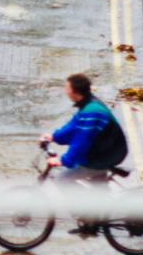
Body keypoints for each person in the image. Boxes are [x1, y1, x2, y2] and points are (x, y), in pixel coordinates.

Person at [39, 73, 128, 236]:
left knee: (63, 179)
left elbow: (81, 142)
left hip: (104, 156)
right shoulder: (86, 105)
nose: (65, 91)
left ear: (75, 91)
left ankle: (88, 213)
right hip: (101, 152)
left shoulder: (91, 111)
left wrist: (63, 160)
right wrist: (54, 136)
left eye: (67, 88)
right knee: (97, 189)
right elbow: (73, 127)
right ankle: (92, 222)